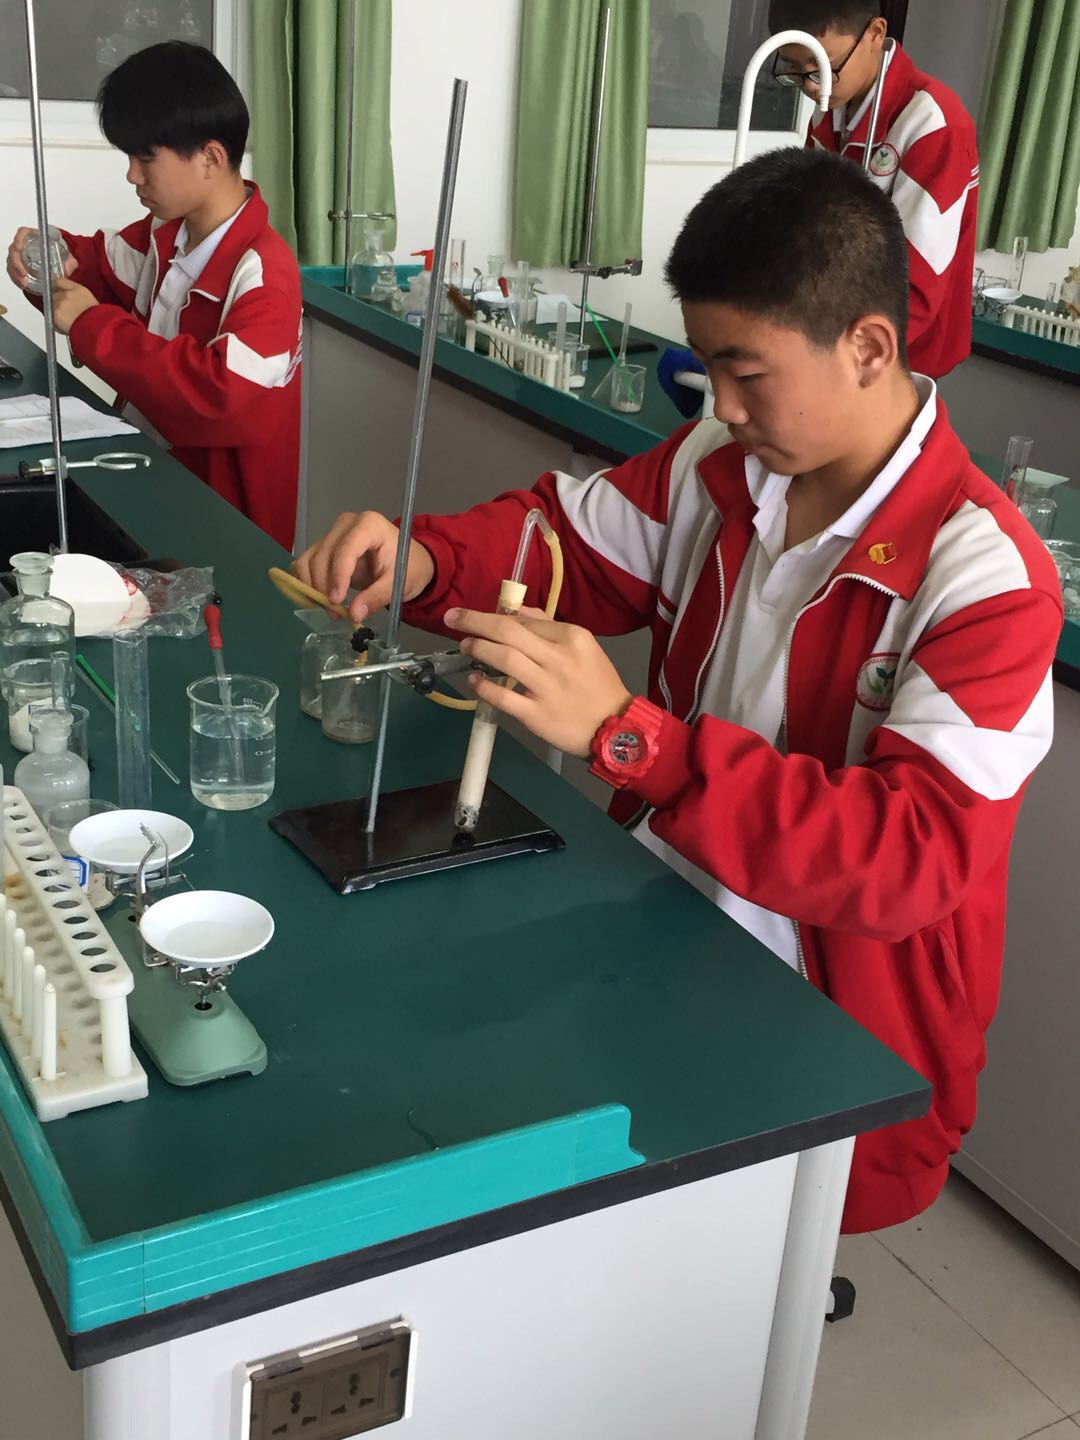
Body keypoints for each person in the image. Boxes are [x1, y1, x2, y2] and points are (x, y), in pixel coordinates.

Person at [294, 148, 1061, 1234]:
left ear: (869, 347)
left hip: (829, 1020)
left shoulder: (983, 578)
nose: (722, 405)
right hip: (666, 936)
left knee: (750, 1265)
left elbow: (907, 857)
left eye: (747, 373)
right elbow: (567, 542)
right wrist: (424, 561)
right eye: (708, 367)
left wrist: (629, 739)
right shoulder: (721, 464)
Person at [5, 41, 302, 550]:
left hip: (223, 526)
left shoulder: (264, 274)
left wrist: (91, 325)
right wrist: (44, 253)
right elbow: (93, 267)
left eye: (145, 159)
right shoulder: (165, 235)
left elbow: (218, 399)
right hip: (150, 477)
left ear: (210, 158)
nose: (132, 175)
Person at [769, 0, 979, 379]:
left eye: (825, 67)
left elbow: (913, 289)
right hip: (831, 336)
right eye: (795, 71)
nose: (812, 86)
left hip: (897, 356)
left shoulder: (932, 124)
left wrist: (829, 364)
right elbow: (808, 229)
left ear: (875, 34)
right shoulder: (833, 105)